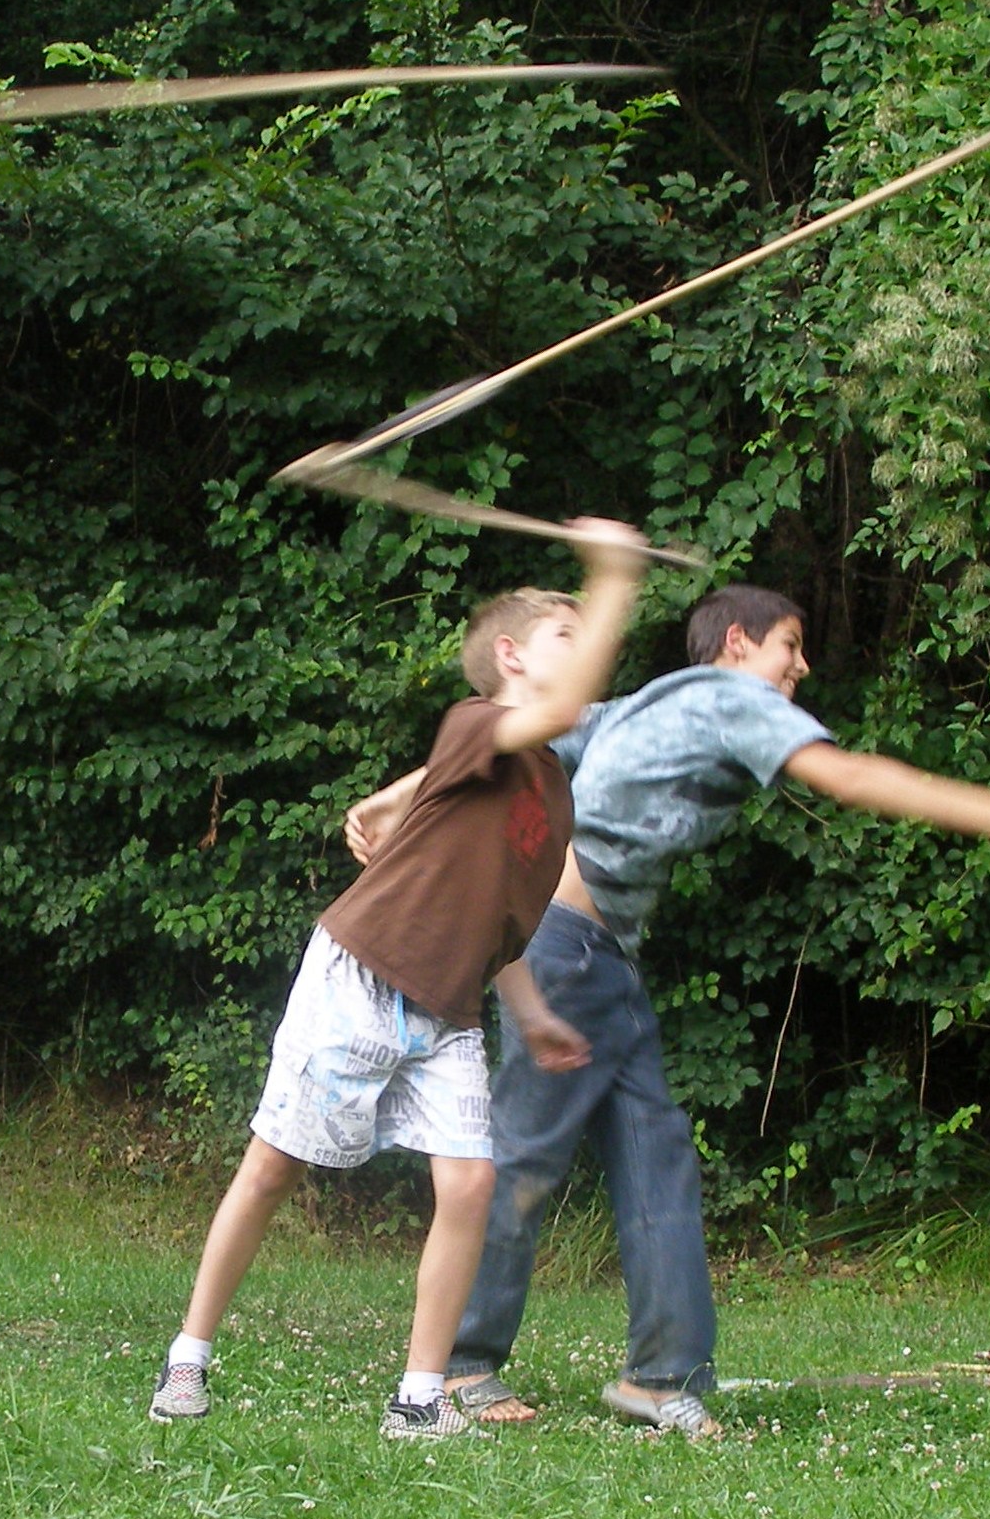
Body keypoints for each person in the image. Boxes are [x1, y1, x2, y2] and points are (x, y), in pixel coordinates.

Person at [345, 583, 990, 1437]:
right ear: (736, 643)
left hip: (597, 960)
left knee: (656, 1156)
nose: (799, 665)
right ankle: (461, 1364)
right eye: (789, 644)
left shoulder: (652, 703)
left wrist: (395, 796)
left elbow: (506, 745)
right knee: (526, 1158)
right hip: (565, 951)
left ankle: (660, 1377)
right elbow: (846, 774)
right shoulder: (732, 696)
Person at [150, 525, 649, 1439]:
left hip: (448, 1013)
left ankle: (418, 1398)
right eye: (566, 638)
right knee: (270, 1167)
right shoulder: (476, 724)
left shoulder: (552, 795)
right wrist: (613, 575)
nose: (586, 663)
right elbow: (512, 728)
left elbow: (501, 930)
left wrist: (532, 1017)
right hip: (360, 975)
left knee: (468, 1186)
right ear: (509, 656)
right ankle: (188, 1355)